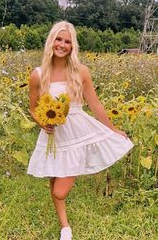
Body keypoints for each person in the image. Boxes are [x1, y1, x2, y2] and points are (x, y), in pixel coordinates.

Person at [27, 21, 134, 240]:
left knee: (59, 190)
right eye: (58, 39)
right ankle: (65, 226)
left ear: (73, 46)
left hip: (77, 134)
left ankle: (64, 220)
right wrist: (42, 123)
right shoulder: (37, 74)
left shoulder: (80, 72)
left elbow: (95, 105)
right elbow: (33, 108)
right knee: (53, 178)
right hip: (52, 136)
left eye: (67, 41)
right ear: (51, 41)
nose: (62, 45)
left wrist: (113, 129)